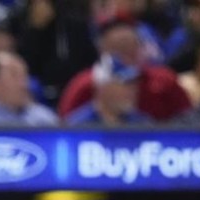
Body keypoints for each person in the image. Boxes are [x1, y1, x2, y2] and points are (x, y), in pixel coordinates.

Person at [58, 13, 192, 122]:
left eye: (131, 48)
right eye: (118, 49)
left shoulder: (164, 81)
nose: (125, 56)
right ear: (102, 51)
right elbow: (63, 133)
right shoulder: (83, 85)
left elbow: (188, 122)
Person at [65, 54, 152, 125]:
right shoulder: (77, 127)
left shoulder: (142, 124)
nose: (133, 90)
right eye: (125, 84)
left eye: (134, 85)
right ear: (103, 87)